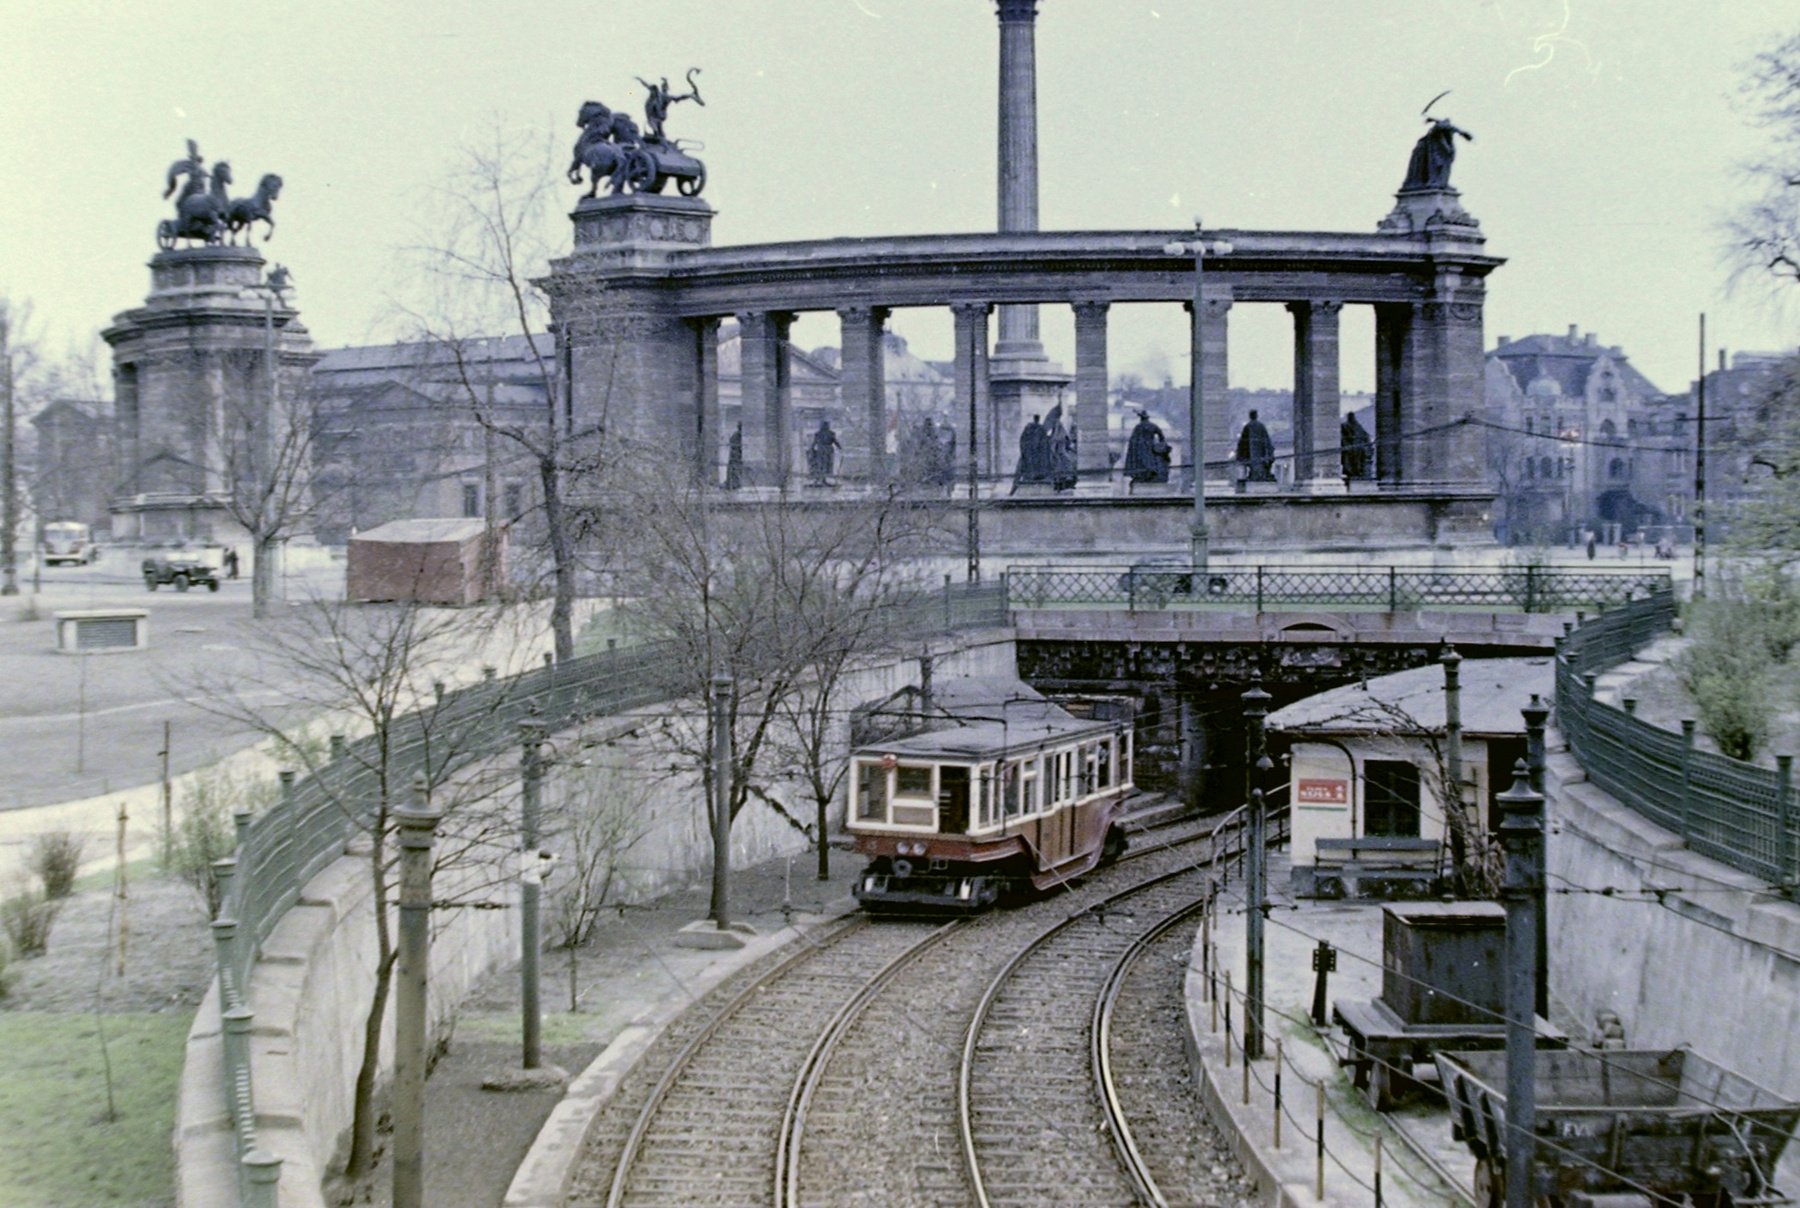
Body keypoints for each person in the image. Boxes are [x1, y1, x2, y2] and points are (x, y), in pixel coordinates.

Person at [1122, 410, 1171, 484]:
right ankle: (1148, 474)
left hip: (1141, 448)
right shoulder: (1152, 426)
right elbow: (1162, 437)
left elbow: (1133, 440)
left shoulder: (1138, 427)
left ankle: (1148, 474)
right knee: (1148, 462)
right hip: (1148, 447)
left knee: (1145, 463)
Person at [1235, 409, 1276, 482]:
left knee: (1254, 465)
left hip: (1253, 452)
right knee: (1259, 465)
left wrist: (1240, 452)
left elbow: (1243, 441)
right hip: (1258, 452)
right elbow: (1266, 439)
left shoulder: (1248, 426)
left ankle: (1257, 475)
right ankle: (1260, 475)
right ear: (1256, 416)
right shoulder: (1260, 426)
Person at [806, 419, 840, 485]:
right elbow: (835, 442)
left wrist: (811, 448)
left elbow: (814, 442)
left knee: (823, 464)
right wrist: (839, 447)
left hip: (823, 449)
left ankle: (822, 479)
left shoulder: (819, 433)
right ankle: (822, 479)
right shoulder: (829, 433)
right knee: (825, 464)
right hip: (826, 449)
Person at [1340, 412, 1373, 480]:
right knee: (1350, 460)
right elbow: (1343, 436)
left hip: (1358, 447)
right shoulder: (1344, 425)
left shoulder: (1357, 425)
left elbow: (1365, 434)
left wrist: (1368, 442)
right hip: (1350, 447)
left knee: (1360, 459)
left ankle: (1358, 472)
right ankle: (1352, 473)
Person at [724, 424, 744, 490]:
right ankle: (733, 484)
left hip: (737, 456)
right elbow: (733, 444)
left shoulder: (738, 435)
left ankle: (735, 483)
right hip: (735, 456)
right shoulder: (736, 435)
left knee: (736, 469)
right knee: (734, 469)